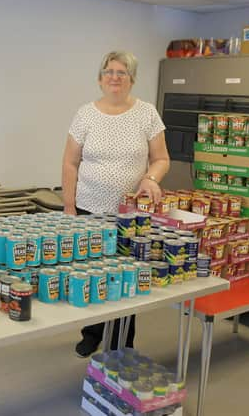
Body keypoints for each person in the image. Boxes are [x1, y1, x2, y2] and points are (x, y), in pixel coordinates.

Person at [61, 51, 170, 358]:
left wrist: (151, 178)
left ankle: (122, 342)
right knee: (92, 276)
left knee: (126, 279)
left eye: (122, 72)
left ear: (132, 79)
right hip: (88, 210)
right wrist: (69, 208)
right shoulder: (85, 114)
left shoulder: (147, 114)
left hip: (129, 216)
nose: (114, 77)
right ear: (100, 77)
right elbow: (70, 163)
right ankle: (91, 333)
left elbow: (161, 158)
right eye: (109, 71)